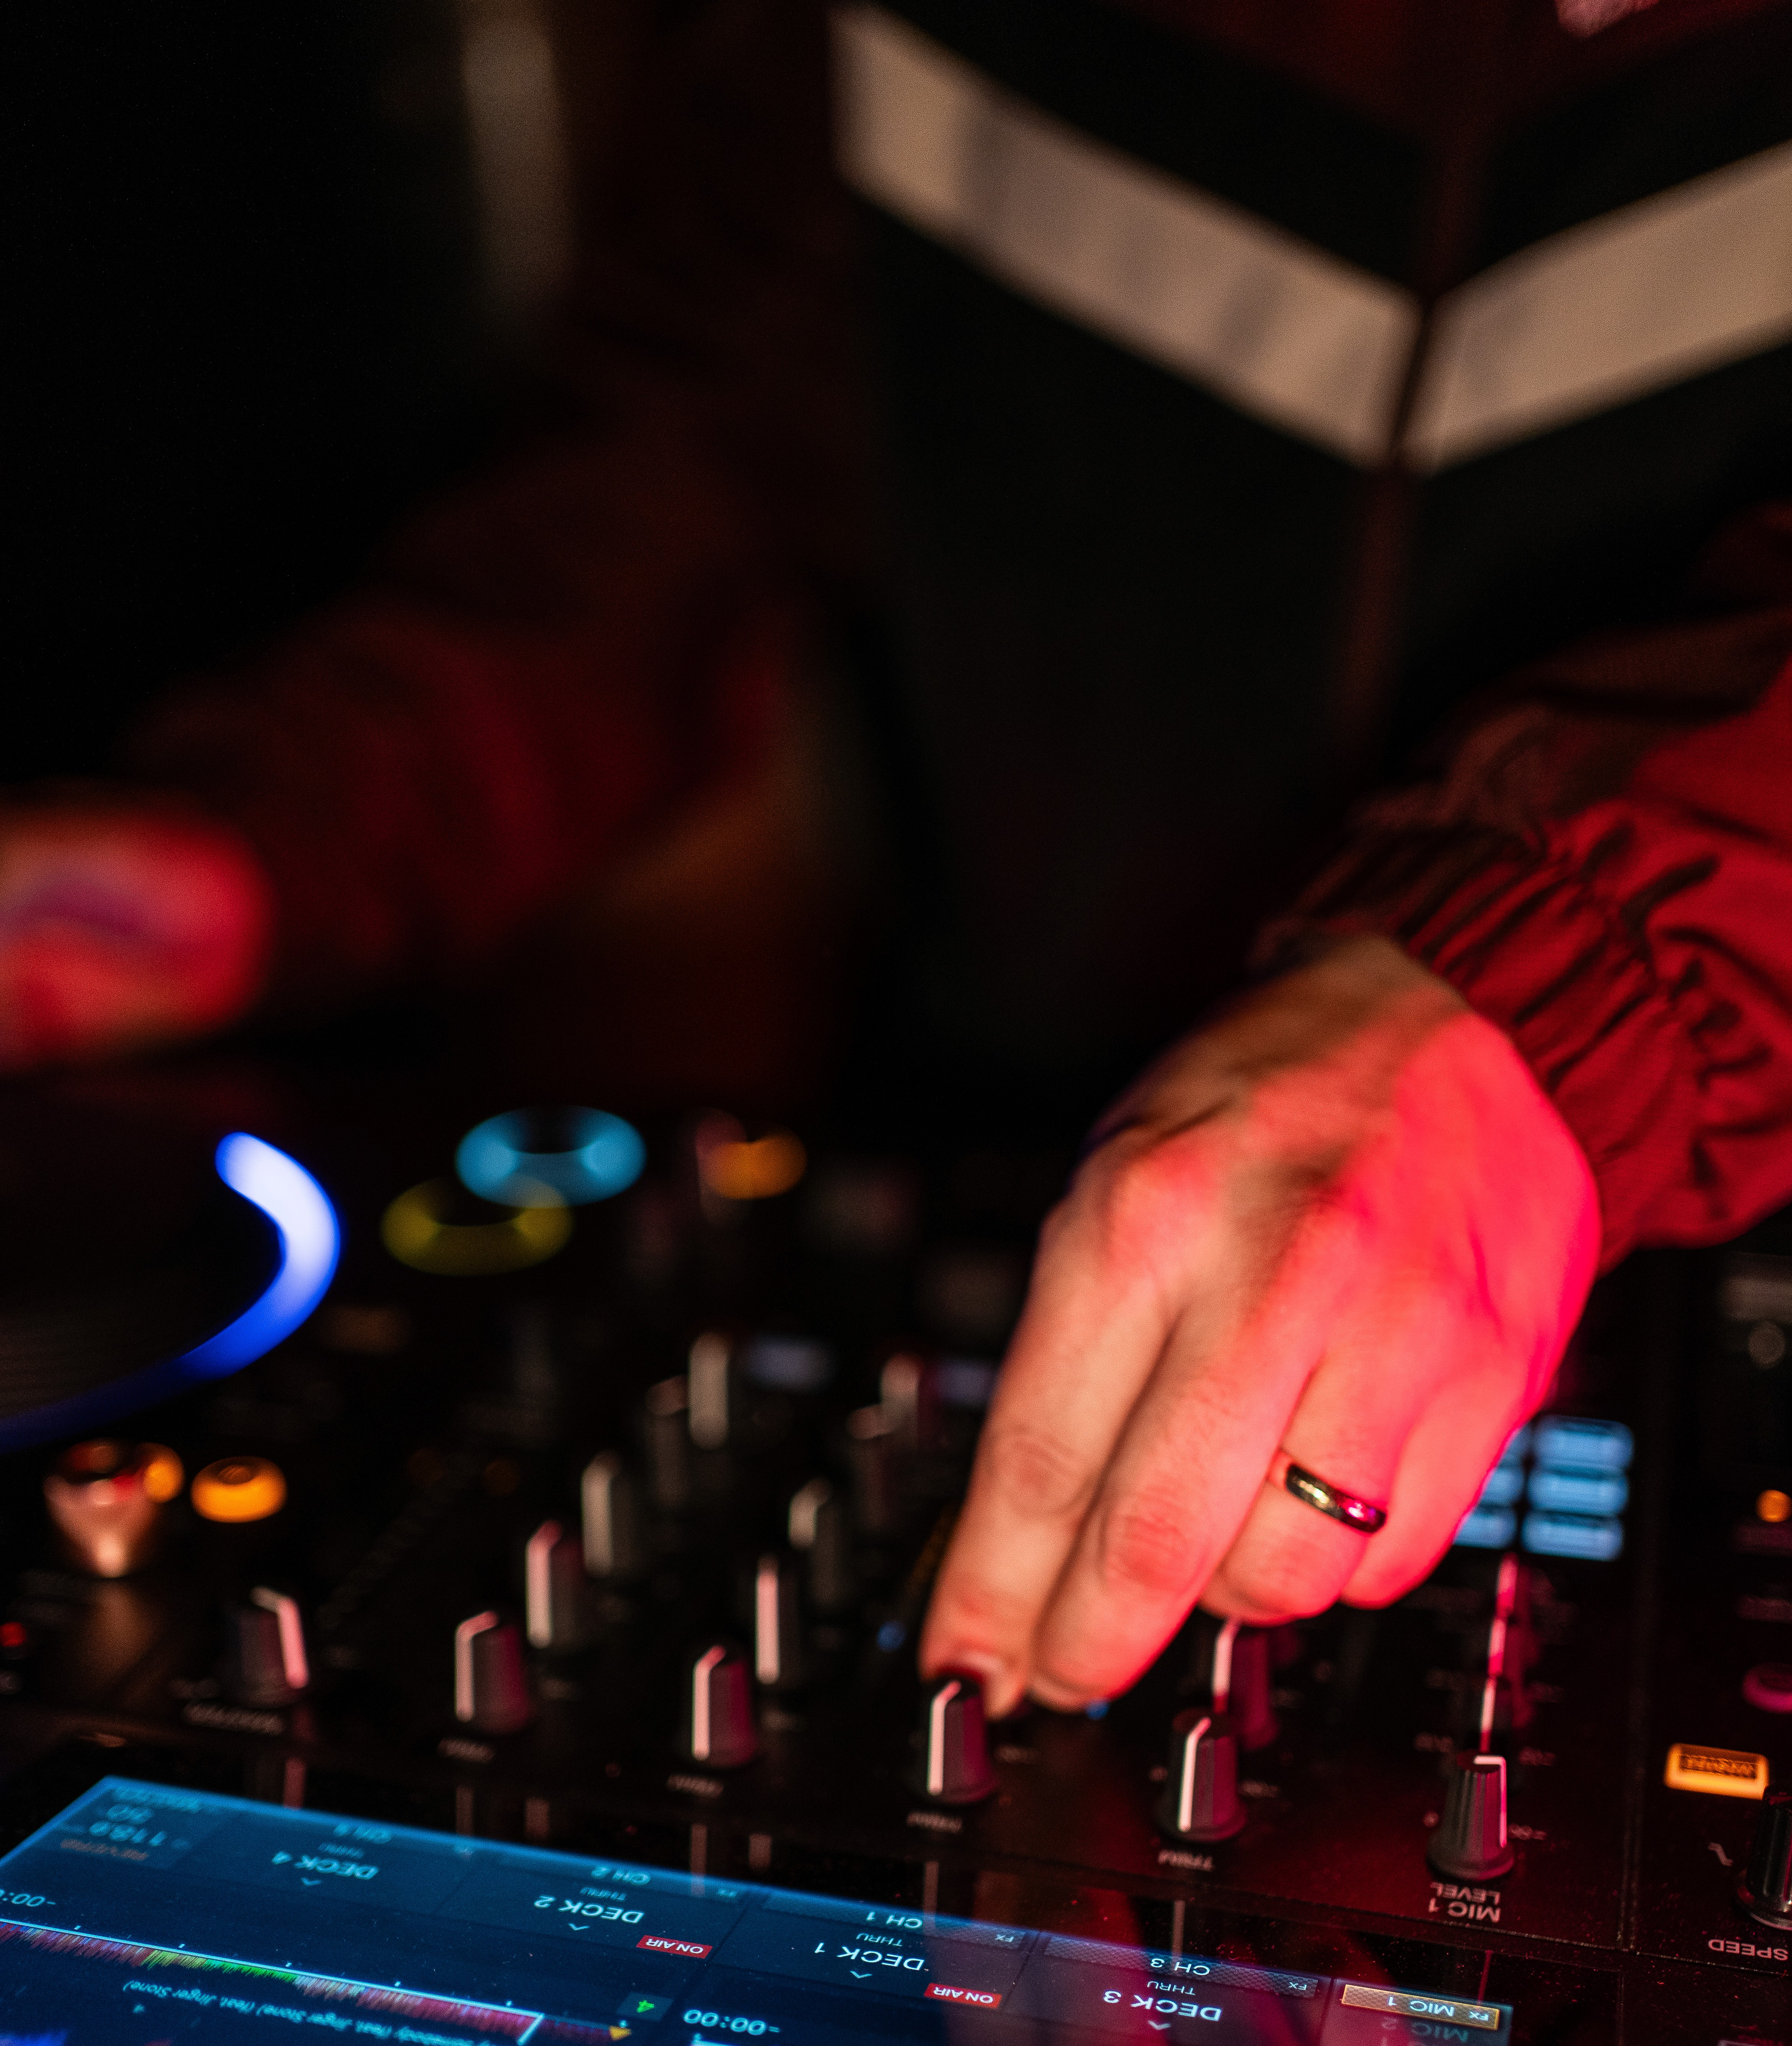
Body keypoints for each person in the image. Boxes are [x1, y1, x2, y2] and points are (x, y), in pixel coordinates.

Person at [6, 0, 1792, 1722]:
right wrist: (269, 840)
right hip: (1001, 1151)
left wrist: (1569, 989)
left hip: (1712, 1210)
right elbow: (693, 454)